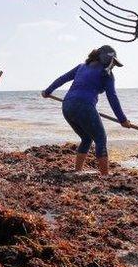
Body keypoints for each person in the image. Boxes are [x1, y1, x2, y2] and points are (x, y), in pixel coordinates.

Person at [42, 45, 131, 176]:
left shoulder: (81, 67)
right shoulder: (106, 74)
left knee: (86, 138)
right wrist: (122, 119)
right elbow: (112, 97)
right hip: (84, 106)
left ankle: (77, 171)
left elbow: (62, 79)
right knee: (100, 139)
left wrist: (47, 91)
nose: (113, 67)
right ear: (106, 59)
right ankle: (105, 176)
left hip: (67, 106)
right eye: (113, 63)